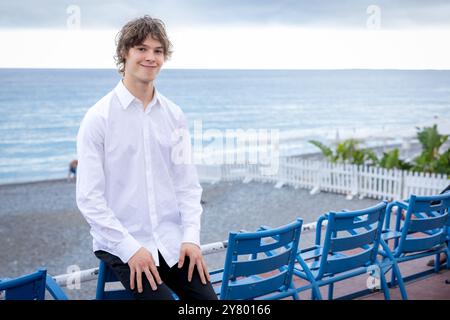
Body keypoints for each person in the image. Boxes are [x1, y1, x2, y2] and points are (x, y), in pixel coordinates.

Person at [76, 16, 217, 300]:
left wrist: (190, 237)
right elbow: (89, 199)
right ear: (124, 53)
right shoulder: (98, 118)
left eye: (158, 50)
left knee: (209, 302)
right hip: (121, 241)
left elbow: (187, 186)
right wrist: (131, 249)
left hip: (170, 239)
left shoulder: (174, 115)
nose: (150, 57)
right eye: (141, 49)